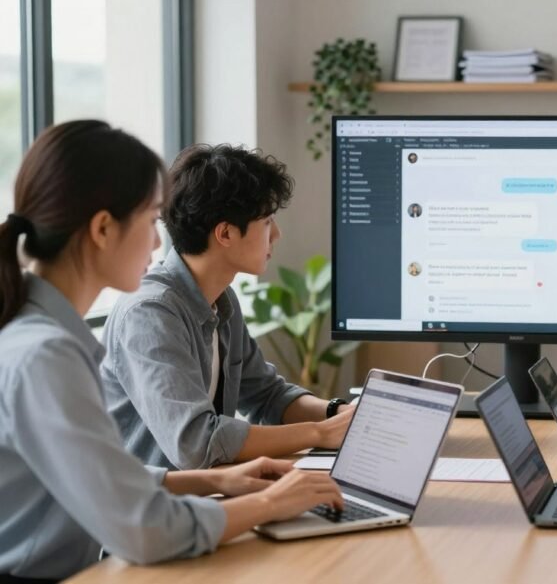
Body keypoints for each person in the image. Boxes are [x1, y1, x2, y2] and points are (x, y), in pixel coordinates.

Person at [0, 121, 344, 581]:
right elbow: (144, 527)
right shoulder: (46, 355)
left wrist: (216, 480)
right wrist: (270, 503)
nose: (159, 240)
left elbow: (101, 476)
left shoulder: (42, 340)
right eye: (149, 220)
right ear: (103, 229)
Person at [102, 144, 355, 470]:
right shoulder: (150, 313)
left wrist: (342, 414)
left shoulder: (221, 300)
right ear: (225, 233)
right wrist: (320, 433)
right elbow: (197, 443)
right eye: (267, 221)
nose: (277, 235)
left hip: (212, 491)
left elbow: (266, 395)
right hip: (157, 501)